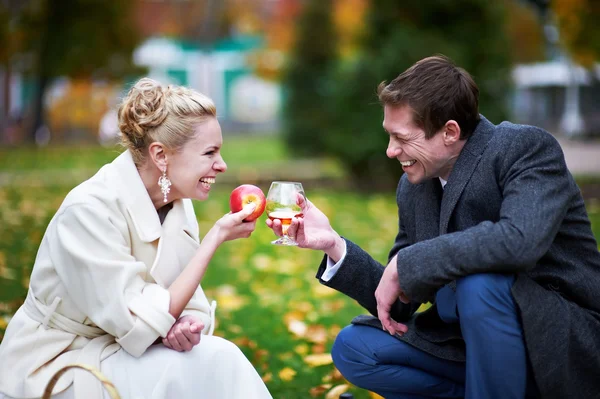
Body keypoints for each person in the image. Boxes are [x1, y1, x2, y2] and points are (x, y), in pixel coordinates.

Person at [267, 56, 600, 398]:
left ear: (450, 132)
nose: (390, 151)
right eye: (389, 136)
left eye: (402, 138)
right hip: (466, 345)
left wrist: (409, 263)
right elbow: (399, 304)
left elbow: (519, 240)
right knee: (356, 347)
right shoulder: (413, 187)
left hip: (557, 343)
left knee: (479, 283)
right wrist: (334, 245)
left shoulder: (523, 149)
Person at [0, 78, 272, 399]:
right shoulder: (88, 210)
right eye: (210, 152)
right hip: (57, 365)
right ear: (160, 155)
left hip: (125, 351)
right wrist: (214, 239)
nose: (222, 165)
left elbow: (189, 303)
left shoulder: (178, 207)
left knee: (219, 357)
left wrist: (184, 326)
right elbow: (137, 326)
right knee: (200, 368)